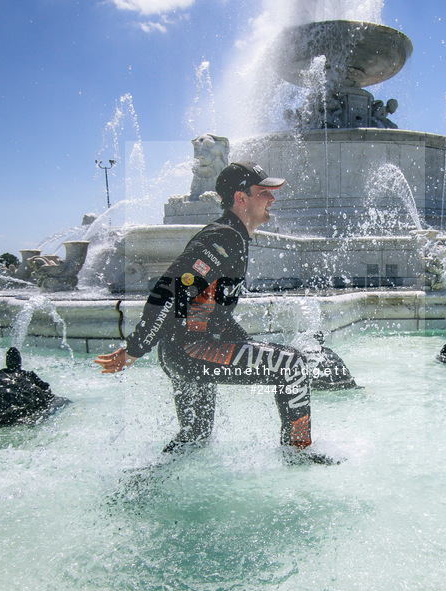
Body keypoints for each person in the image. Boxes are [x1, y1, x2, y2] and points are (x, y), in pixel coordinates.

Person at [95, 162, 336, 465]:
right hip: (191, 348)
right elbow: (172, 289)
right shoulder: (224, 238)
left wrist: (247, 347)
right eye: (264, 192)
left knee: (194, 439)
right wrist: (135, 348)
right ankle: (300, 457)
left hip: (183, 349)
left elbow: (213, 312)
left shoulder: (232, 236)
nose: (272, 199)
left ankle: (137, 490)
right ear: (241, 198)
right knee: (292, 365)